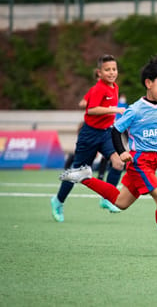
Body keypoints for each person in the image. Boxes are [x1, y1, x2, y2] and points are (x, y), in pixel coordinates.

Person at [58, 55, 157, 256]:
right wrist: (122, 152)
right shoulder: (136, 109)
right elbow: (115, 130)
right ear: (149, 83)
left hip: (153, 162)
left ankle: (85, 177)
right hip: (140, 161)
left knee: (121, 203)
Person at [50, 54, 125, 223]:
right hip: (89, 135)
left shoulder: (114, 87)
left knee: (119, 162)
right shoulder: (99, 88)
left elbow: (89, 102)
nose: (112, 72)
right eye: (107, 70)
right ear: (99, 72)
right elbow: (90, 110)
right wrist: (113, 109)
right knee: (76, 173)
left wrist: (91, 102)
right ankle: (58, 201)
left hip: (106, 133)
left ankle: (107, 198)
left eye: (114, 69)